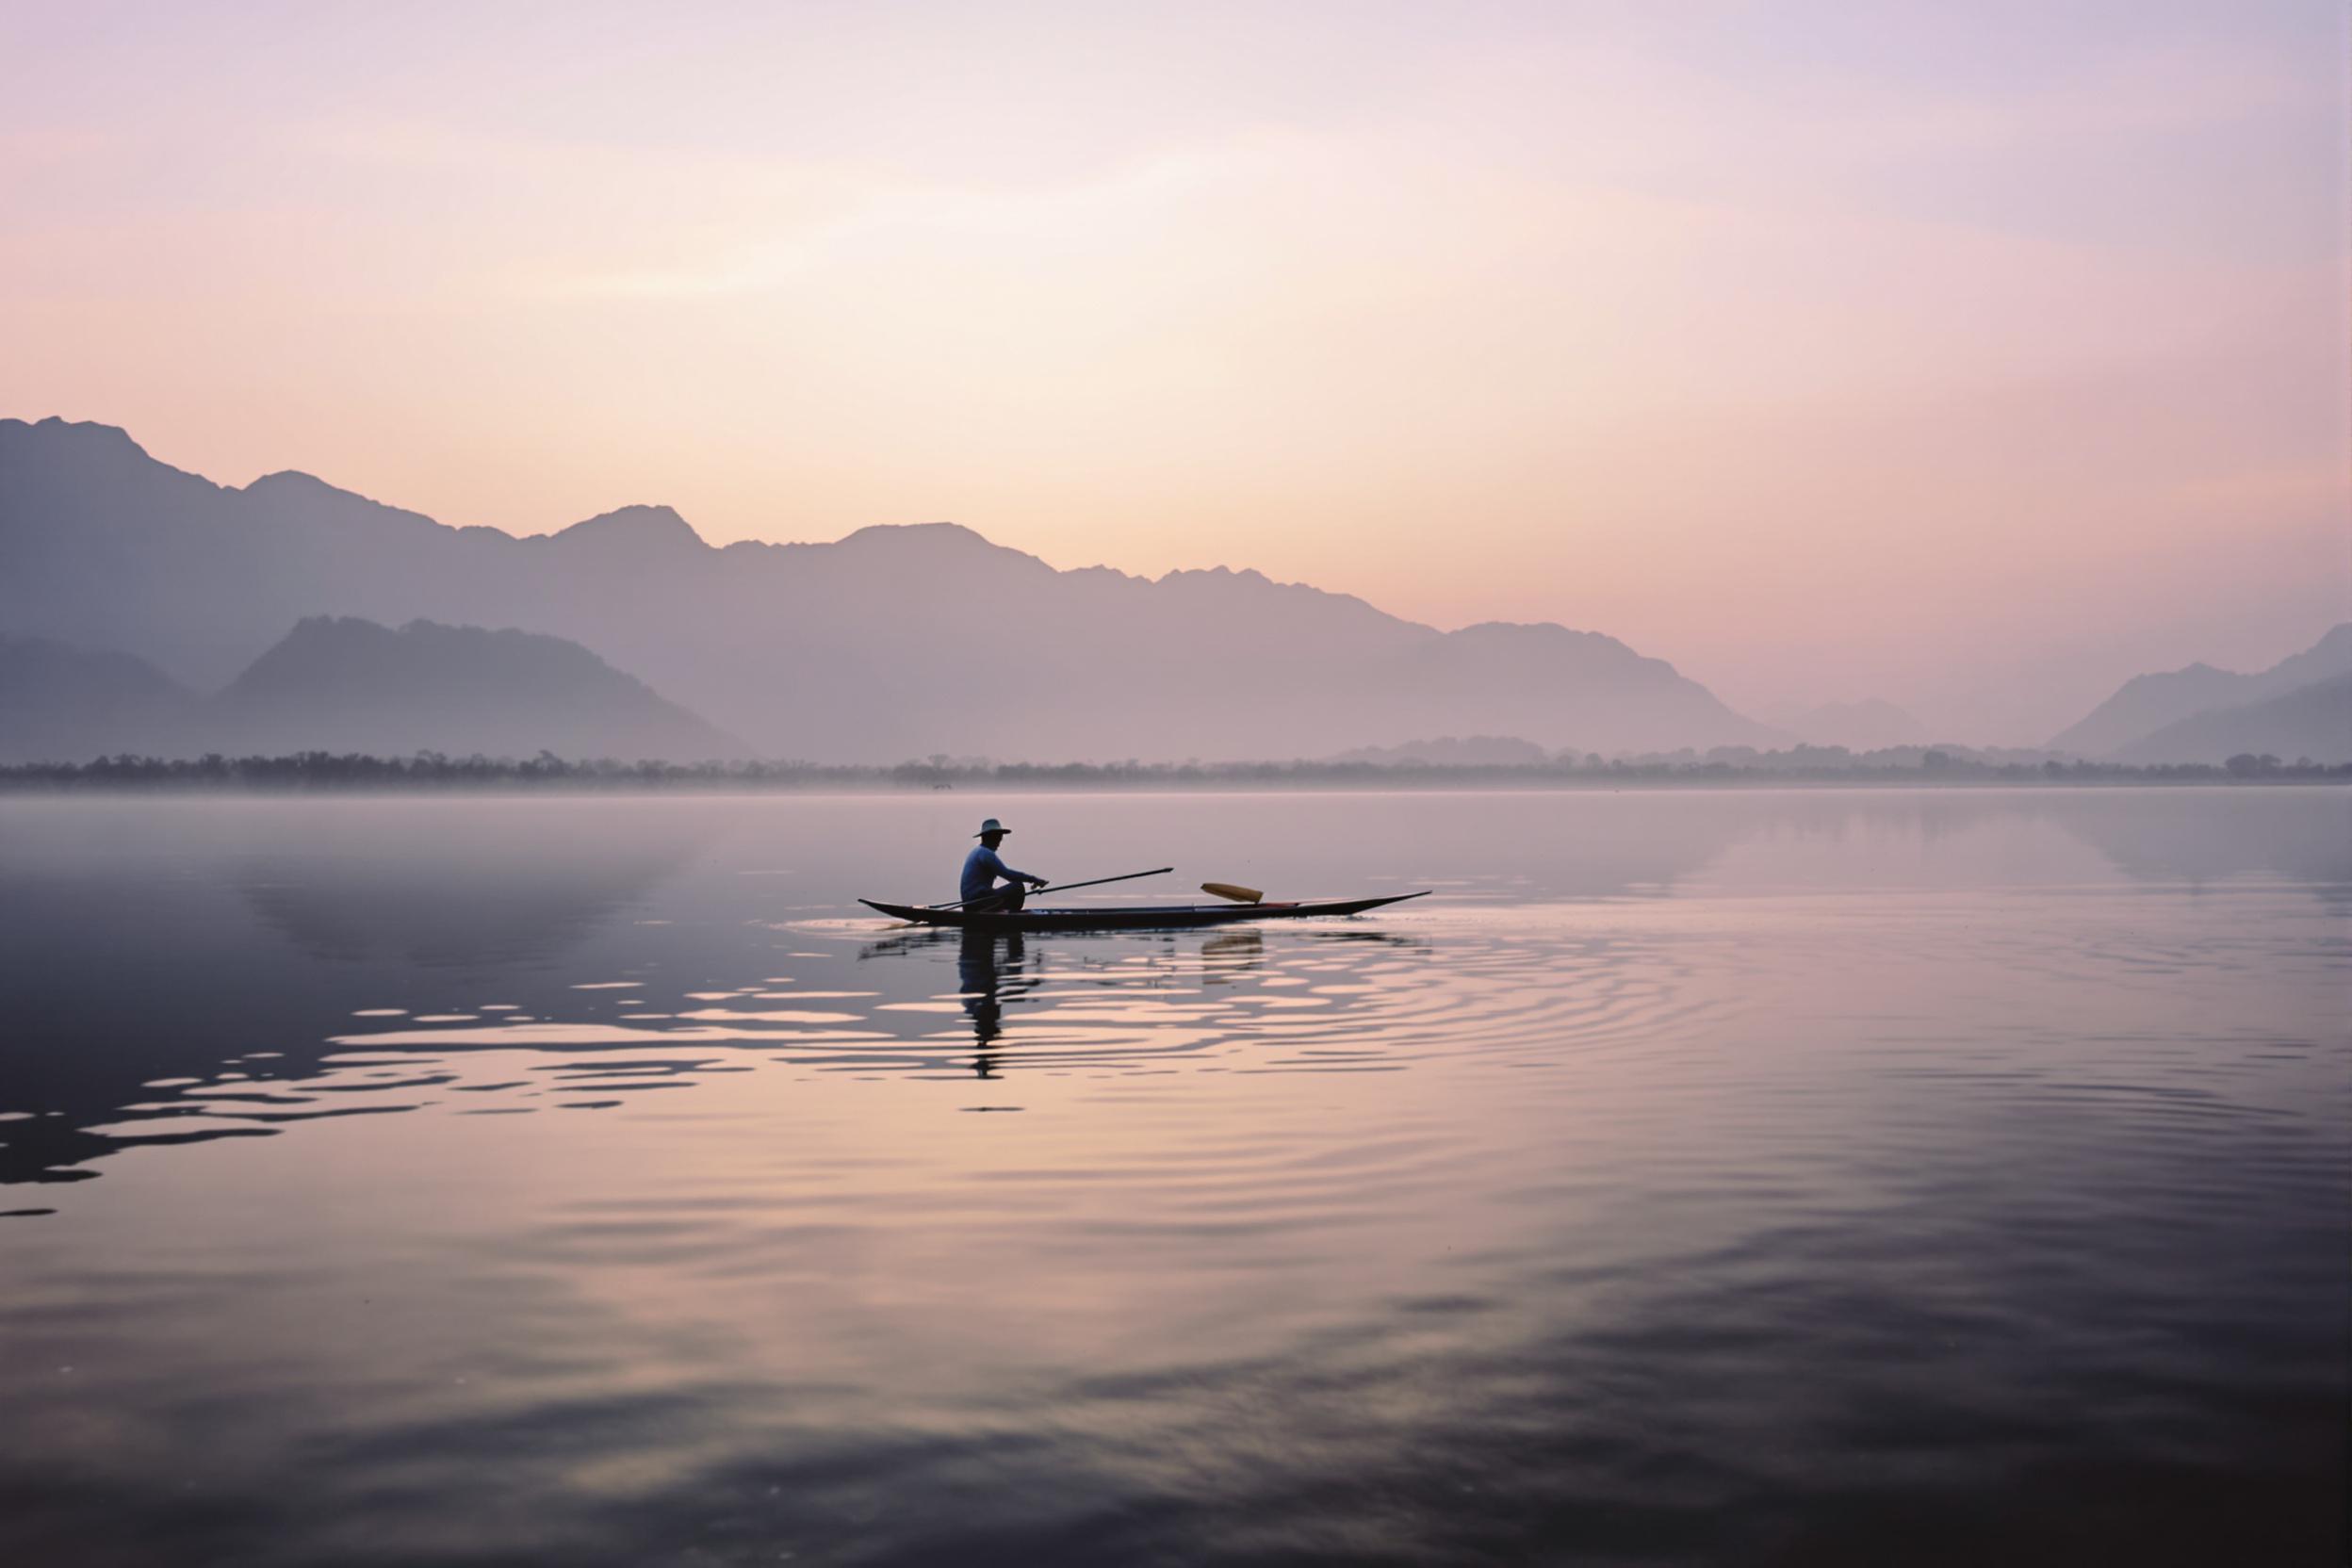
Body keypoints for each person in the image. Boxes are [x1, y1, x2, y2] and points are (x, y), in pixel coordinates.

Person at [961, 817, 1048, 912]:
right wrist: (1032, 879)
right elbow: (1008, 874)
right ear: (989, 837)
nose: (999, 842)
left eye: (1000, 838)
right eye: (998, 837)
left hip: (973, 902)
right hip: (977, 903)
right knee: (1017, 887)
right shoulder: (985, 853)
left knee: (1006, 891)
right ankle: (1010, 916)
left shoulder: (977, 852)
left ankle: (1001, 911)